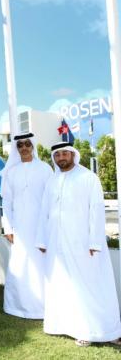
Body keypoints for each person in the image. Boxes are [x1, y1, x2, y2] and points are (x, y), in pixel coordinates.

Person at [35, 142, 121, 347]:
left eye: (65, 153)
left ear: (73, 155)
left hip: (83, 244)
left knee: (89, 286)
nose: (61, 157)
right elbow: (44, 212)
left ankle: (98, 329)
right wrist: (41, 239)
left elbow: (96, 211)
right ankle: (68, 327)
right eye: (57, 155)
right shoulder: (52, 181)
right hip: (57, 243)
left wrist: (95, 242)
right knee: (62, 284)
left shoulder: (88, 178)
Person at [1, 132, 52, 318]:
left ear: (33, 146)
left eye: (27, 144)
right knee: (20, 263)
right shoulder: (11, 172)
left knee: (40, 263)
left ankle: (42, 307)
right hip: (19, 227)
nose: (24, 148)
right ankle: (18, 306)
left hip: (41, 226)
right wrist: (8, 228)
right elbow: (6, 202)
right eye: (20, 145)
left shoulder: (45, 168)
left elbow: (51, 200)